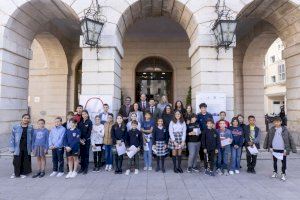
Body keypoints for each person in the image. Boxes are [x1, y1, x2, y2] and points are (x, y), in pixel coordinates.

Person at [263, 116, 297, 181]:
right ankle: (275, 172)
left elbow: (290, 139)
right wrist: (267, 147)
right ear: (273, 122)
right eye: (275, 122)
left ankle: (283, 173)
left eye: (278, 122)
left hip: (283, 150)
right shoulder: (271, 129)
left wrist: (292, 149)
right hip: (274, 149)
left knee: (283, 162)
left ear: (281, 122)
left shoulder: (285, 130)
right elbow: (267, 138)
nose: (276, 123)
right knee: (274, 162)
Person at [9, 114, 34, 179]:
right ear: (22, 119)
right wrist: (12, 147)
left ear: (29, 119)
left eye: (28, 118)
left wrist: (32, 147)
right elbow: (12, 137)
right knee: (16, 160)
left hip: (27, 146)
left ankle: (23, 173)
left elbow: (33, 137)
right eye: (25, 118)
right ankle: (16, 173)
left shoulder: (31, 127)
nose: (26, 119)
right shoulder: (16, 127)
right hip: (18, 146)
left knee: (25, 160)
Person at [78, 110, 93, 174]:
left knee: (86, 155)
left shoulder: (89, 122)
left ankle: (86, 168)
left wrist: (84, 140)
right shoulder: (80, 122)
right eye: (82, 114)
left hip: (86, 141)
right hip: (80, 141)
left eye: (85, 114)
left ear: (87, 114)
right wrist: (80, 139)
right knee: (81, 154)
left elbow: (89, 132)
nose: (84, 115)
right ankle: (82, 167)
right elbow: (78, 132)